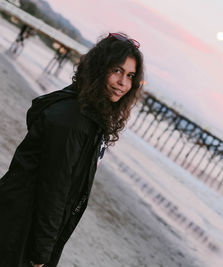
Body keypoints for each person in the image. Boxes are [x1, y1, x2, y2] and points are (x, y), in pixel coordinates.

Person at [0, 32, 144, 267]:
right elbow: (54, 189)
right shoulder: (73, 121)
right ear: (99, 68)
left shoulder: (89, 114)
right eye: (117, 71)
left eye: (130, 75)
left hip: (23, 224)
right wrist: (40, 255)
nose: (123, 83)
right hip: (18, 228)